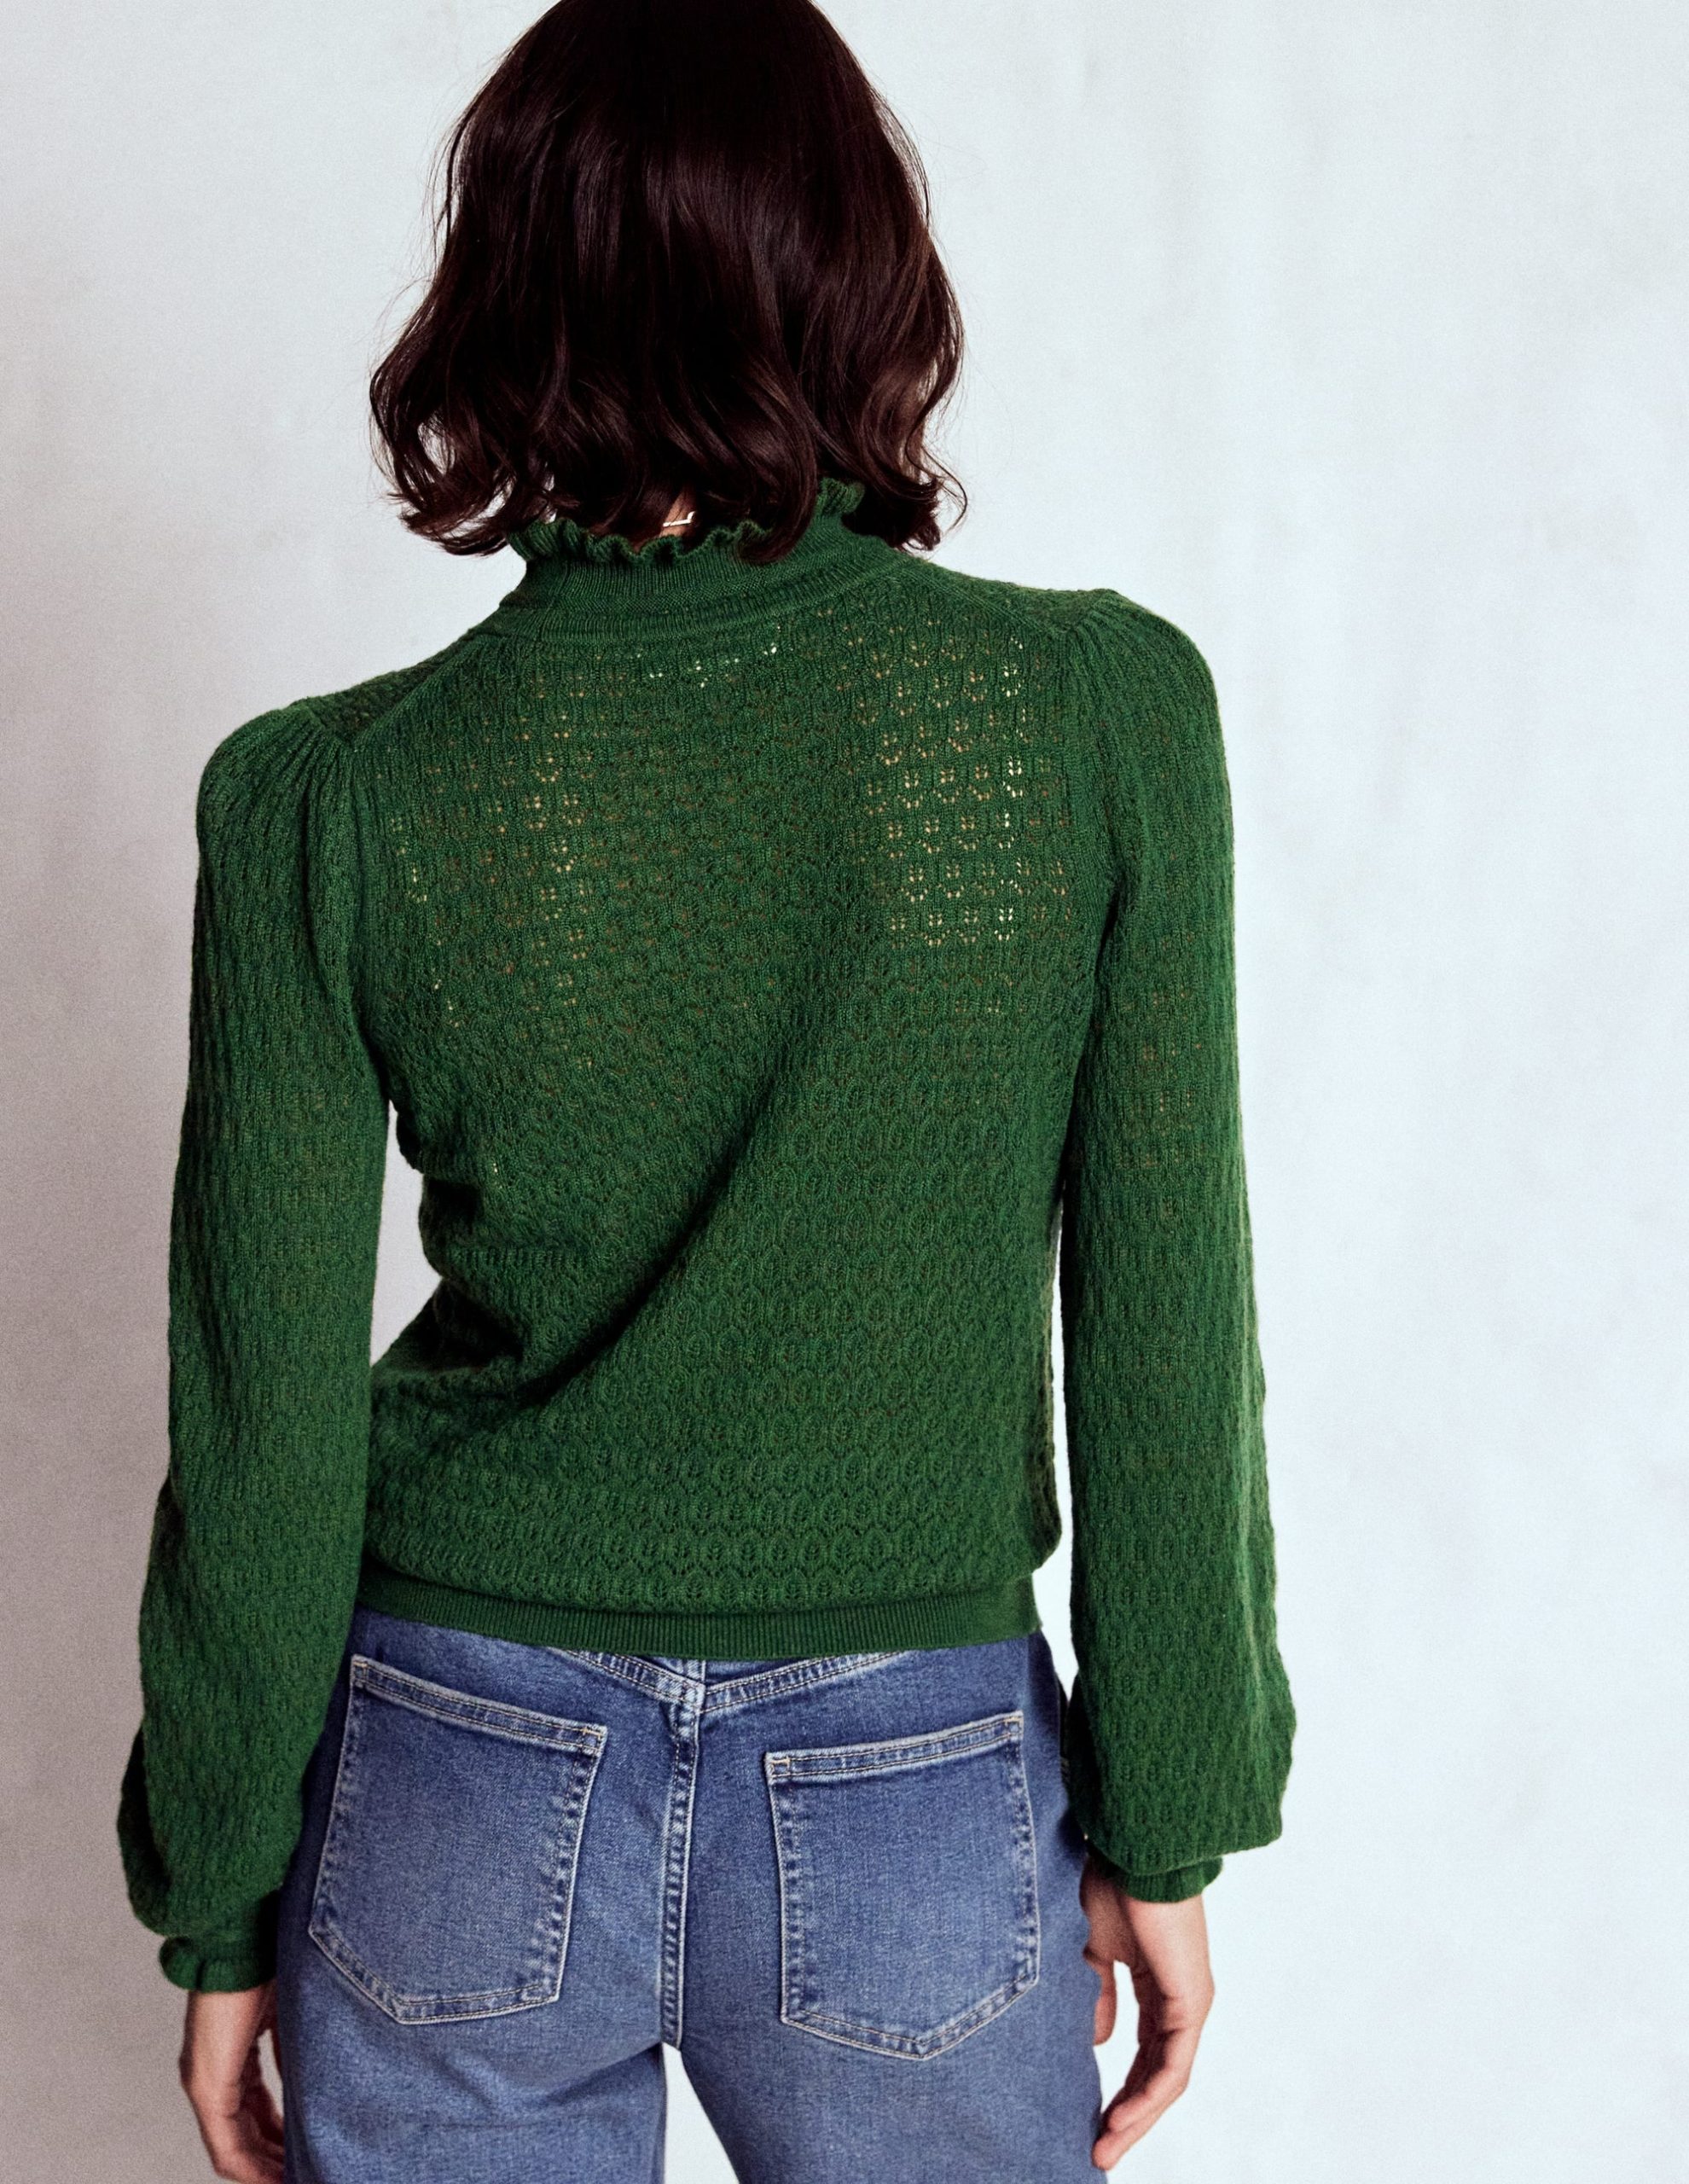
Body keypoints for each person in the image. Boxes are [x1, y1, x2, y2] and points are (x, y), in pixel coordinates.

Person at [117, 2, 1296, 2177]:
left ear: (504, 290)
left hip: (454, 1756)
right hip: (914, 1769)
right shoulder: (1088, 718)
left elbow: (260, 1420)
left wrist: (222, 1894)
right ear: (861, 270)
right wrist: (1171, 1812)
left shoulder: (332, 795)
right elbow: (1165, 1327)